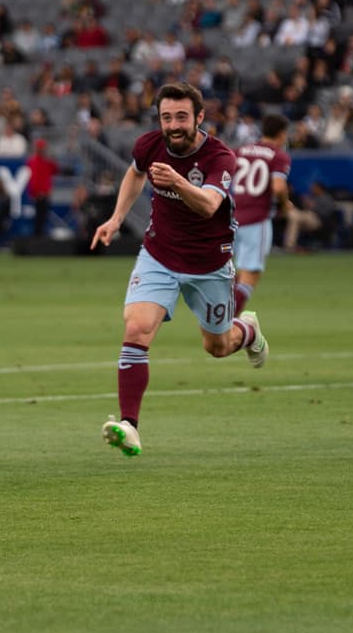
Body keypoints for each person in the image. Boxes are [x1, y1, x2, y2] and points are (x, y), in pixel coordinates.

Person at [91, 82, 267, 457]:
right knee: (136, 327)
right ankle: (129, 426)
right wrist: (117, 218)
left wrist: (178, 181)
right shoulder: (150, 144)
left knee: (217, 347)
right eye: (166, 117)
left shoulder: (221, 156)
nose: (173, 125)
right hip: (159, 255)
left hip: (209, 264)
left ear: (199, 118)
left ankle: (248, 330)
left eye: (182, 117)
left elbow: (208, 206)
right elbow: (135, 173)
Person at [232, 113, 292, 316]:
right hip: (257, 219)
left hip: (232, 219)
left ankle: (220, 315)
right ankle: (225, 323)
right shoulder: (278, 156)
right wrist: (285, 205)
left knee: (236, 273)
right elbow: (277, 187)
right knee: (250, 275)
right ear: (282, 135)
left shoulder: (240, 151)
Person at [25, 138, 59, 237]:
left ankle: (40, 237)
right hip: (38, 195)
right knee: (38, 218)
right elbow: (34, 180)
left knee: (43, 217)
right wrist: (35, 192)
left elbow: (55, 170)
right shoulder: (33, 161)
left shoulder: (47, 161)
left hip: (45, 194)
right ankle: (37, 238)